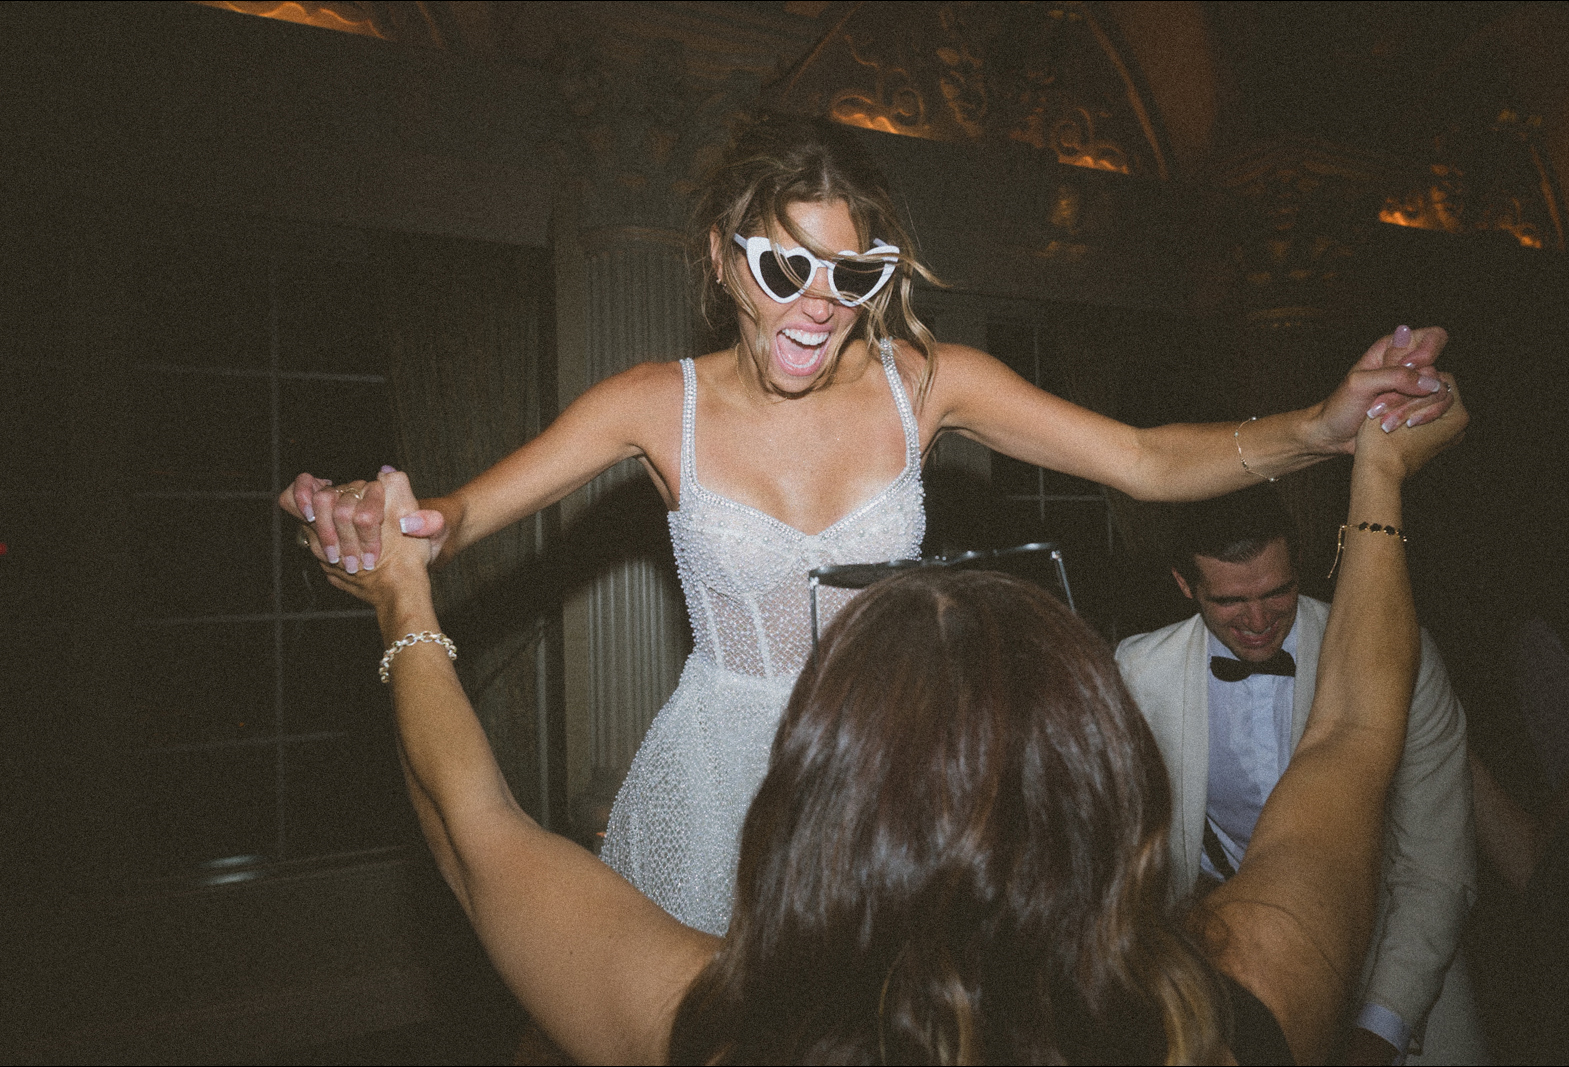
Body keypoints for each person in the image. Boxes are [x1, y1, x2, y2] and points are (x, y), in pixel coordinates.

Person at [281, 114, 1454, 935]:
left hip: (891, 753)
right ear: (722, 258)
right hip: (722, 773)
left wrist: (1322, 425)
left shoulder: (924, 382)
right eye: (784, 264)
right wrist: (382, 523)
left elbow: (1144, 461)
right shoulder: (650, 403)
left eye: (848, 275)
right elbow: (453, 517)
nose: (815, 305)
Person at [317, 374, 1466, 1064]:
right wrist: (1377, 473)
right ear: (1106, 788)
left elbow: (477, 829)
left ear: (819, 806)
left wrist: (400, 598)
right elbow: (1354, 734)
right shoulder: (1232, 1007)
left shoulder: (720, 1033)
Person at [1114, 485, 1480, 1064]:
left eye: (1277, 592)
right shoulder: (1136, 675)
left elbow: (1435, 865)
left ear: (1300, 565)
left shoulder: (1396, 653)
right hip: (1214, 956)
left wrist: (1381, 1026)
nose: (1259, 620)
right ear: (1185, 585)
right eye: (1231, 600)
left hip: (1388, 944)